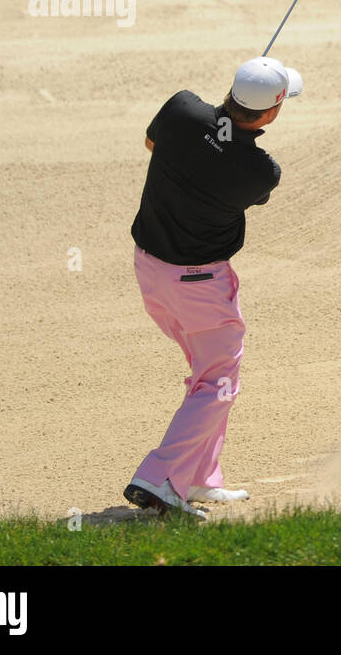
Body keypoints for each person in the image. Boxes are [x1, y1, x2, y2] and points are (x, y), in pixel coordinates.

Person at [123, 56, 302, 518]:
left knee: (208, 377)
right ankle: (161, 478)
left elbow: (151, 143)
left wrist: (210, 132)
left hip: (150, 272)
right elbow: (253, 189)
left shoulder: (182, 110)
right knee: (218, 382)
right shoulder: (261, 171)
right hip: (198, 286)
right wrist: (222, 140)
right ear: (273, 112)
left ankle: (198, 477)